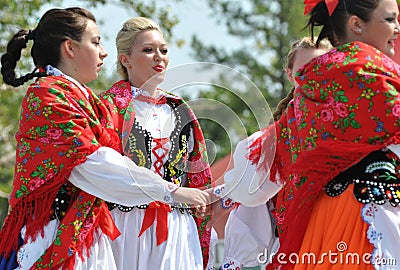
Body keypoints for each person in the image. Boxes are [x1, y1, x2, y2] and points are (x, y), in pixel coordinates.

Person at [0, 8, 210, 270]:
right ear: (70, 48)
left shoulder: (83, 99)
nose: (103, 52)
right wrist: (171, 190)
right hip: (55, 234)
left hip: (89, 232)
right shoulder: (49, 96)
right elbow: (93, 162)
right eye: (96, 42)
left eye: (164, 50)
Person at [211, 0, 400, 269]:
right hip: (374, 215)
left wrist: (224, 193)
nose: (396, 28)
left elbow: (260, 171)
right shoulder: (375, 72)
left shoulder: (309, 90)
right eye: (390, 19)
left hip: (322, 222)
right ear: (356, 24)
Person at [99, 17, 214, 270]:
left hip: (177, 228)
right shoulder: (108, 108)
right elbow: (102, 170)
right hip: (125, 226)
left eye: (163, 50)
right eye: (148, 50)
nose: (159, 57)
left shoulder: (180, 109)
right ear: (125, 59)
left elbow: (198, 174)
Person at [215, 37, 332, 270]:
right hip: (295, 251)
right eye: (304, 70)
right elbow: (250, 199)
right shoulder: (272, 141)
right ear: (290, 74)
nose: (314, 77)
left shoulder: (350, 125)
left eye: (322, 68)